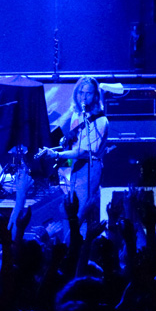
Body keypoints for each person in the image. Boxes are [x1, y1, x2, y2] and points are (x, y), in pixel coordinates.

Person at [39, 77, 108, 221]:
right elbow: (76, 145)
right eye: (80, 93)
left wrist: (56, 154)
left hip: (90, 166)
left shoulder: (100, 121)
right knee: (73, 208)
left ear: (95, 95)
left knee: (81, 212)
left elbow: (82, 152)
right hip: (77, 166)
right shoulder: (77, 114)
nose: (83, 97)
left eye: (88, 94)